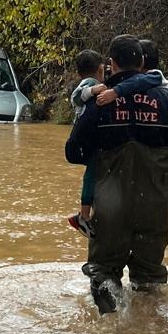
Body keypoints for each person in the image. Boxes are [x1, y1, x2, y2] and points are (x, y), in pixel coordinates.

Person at [64, 32, 168, 312]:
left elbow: (73, 152)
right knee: (149, 279)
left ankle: (113, 333)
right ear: (142, 64)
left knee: (103, 272)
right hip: (155, 205)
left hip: (111, 205)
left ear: (111, 64)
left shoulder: (98, 101)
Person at [93, 37, 168, 229]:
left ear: (140, 63)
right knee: (157, 171)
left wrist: (115, 91)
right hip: (158, 171)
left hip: (141, 176)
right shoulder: (160, 91)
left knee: (154, 171)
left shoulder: (152, 79)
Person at [66, 48, 105, 235]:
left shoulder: (88, 82)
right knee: (92, 174)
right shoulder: (91, 83)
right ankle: (83, 215)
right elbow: (76, 97)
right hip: (86, 141)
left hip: (82, 140)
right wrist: (95, 88)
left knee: (91, 174)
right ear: (100, 70)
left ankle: (83, 216)